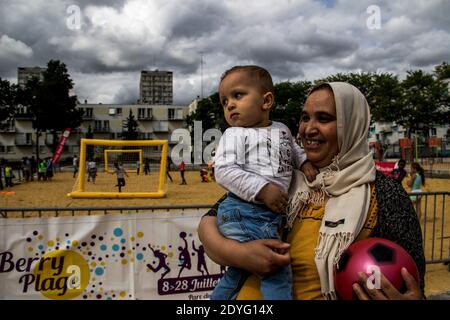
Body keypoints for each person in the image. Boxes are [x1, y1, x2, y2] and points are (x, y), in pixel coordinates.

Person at [198, 82, 425, 300]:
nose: (308, 129)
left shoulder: (384, 193)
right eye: (305, 117)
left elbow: (413, 283)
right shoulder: (279, 174)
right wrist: (242, 256)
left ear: (353, 124)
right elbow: (207, 225)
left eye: (324, 118)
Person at [208, 65, 317, 300]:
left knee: (237, 274)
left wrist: (305, 162)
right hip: (245, 210)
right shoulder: (234, 134)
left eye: (237, 95)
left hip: (260, 215)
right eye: (224, 101)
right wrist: (263, 189)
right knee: (276, 267)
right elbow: (224, 170)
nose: (229, 104)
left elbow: (294, 151)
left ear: (266, 101)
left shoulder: (282, 129)